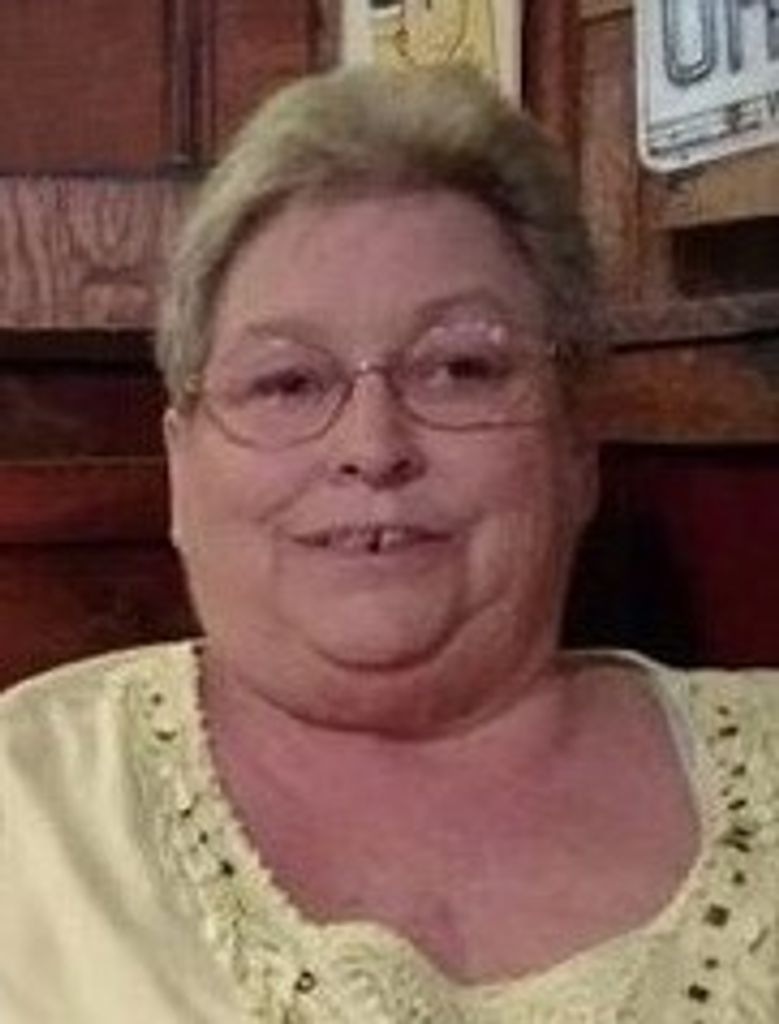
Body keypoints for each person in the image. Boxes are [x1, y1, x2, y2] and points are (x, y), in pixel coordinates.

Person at [1, 64, 777, 1023]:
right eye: (286, 383)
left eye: (459, 368)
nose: (372, 448)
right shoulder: (24, 813)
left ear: (576, 446)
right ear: (180, 467)